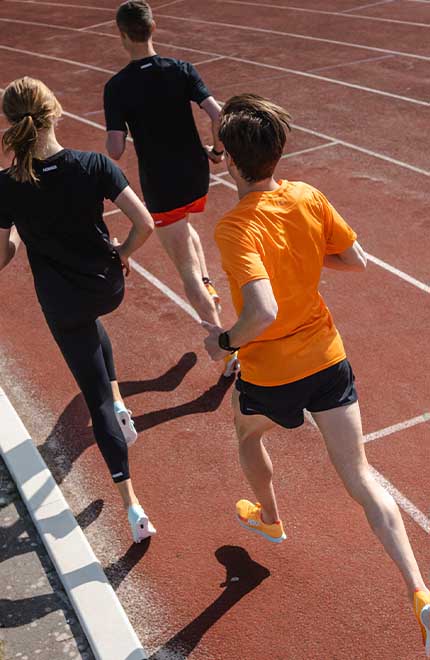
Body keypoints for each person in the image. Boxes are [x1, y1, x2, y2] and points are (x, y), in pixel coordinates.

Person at [202, 93, 430, 653]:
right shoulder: (307, 195)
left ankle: (270, 517)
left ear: (231, 161)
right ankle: (421, 594)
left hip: (270, 371)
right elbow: (357, 260)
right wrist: (303, 261)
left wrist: (223, 341)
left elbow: (261, 312)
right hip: (327, 359)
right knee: (361, 477)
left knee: (247, 434)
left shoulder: (235, 227)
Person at [0, 76, 156, 543]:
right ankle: (121, 405)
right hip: (107, 287)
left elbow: (4, 252)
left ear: (10, 123)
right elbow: (144, 223)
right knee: (93, 332)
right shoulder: (94, 165)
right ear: (56, 112)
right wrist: (123, 252)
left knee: (95, 400)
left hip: (62, 302)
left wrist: (17, 233)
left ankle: (132, 507)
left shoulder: (6, 185)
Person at [103, 0, 238, 377]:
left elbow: (115, 150)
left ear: (122, 35)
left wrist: (121, 130)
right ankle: (209, 287)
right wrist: (218, 151)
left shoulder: (117, 87)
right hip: (196, 174)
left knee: (185, 272)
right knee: (184, 228)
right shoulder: (181, 69)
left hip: (162, 184)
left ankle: (227, 352)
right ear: (153, 27)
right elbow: (218, 114)